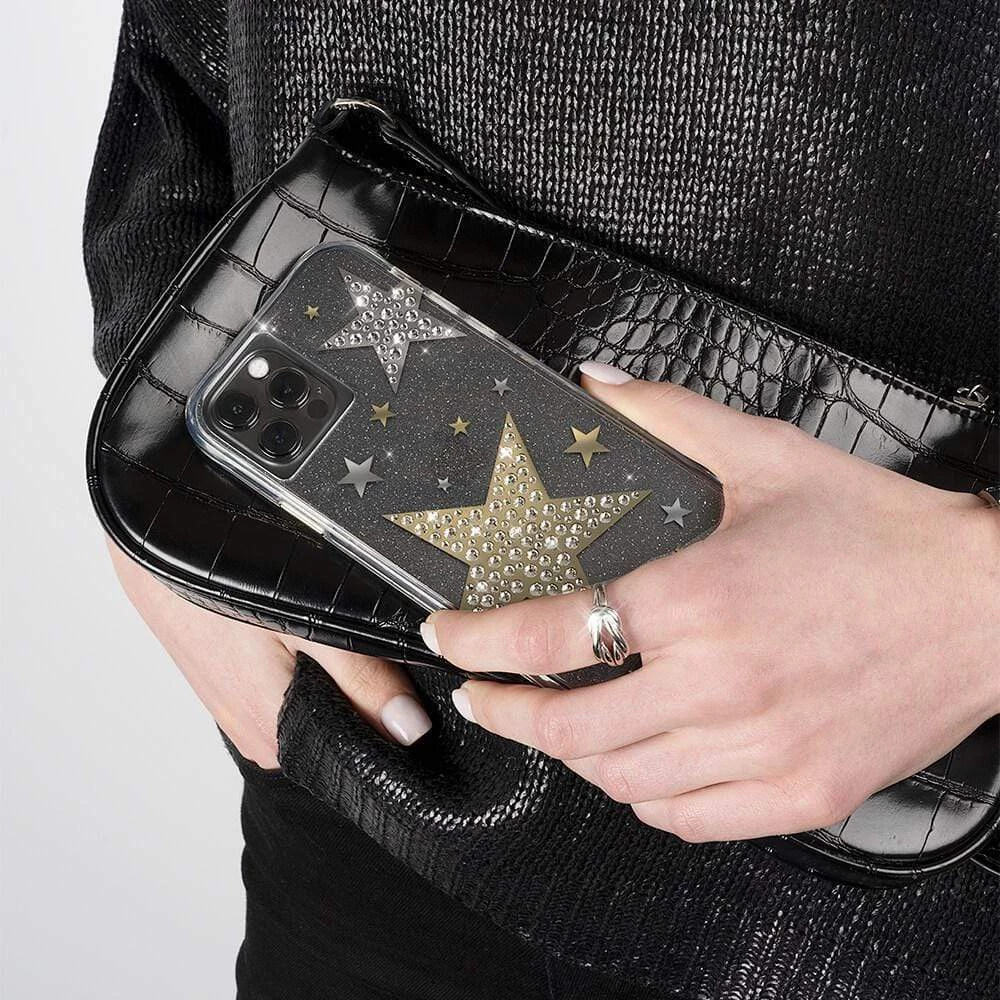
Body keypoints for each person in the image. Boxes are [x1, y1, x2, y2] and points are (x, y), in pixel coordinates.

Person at [87, 3, 999, 998]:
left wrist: (973, 602)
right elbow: (174, 64)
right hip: (360, 806)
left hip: (878, 903)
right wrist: (148, 436)